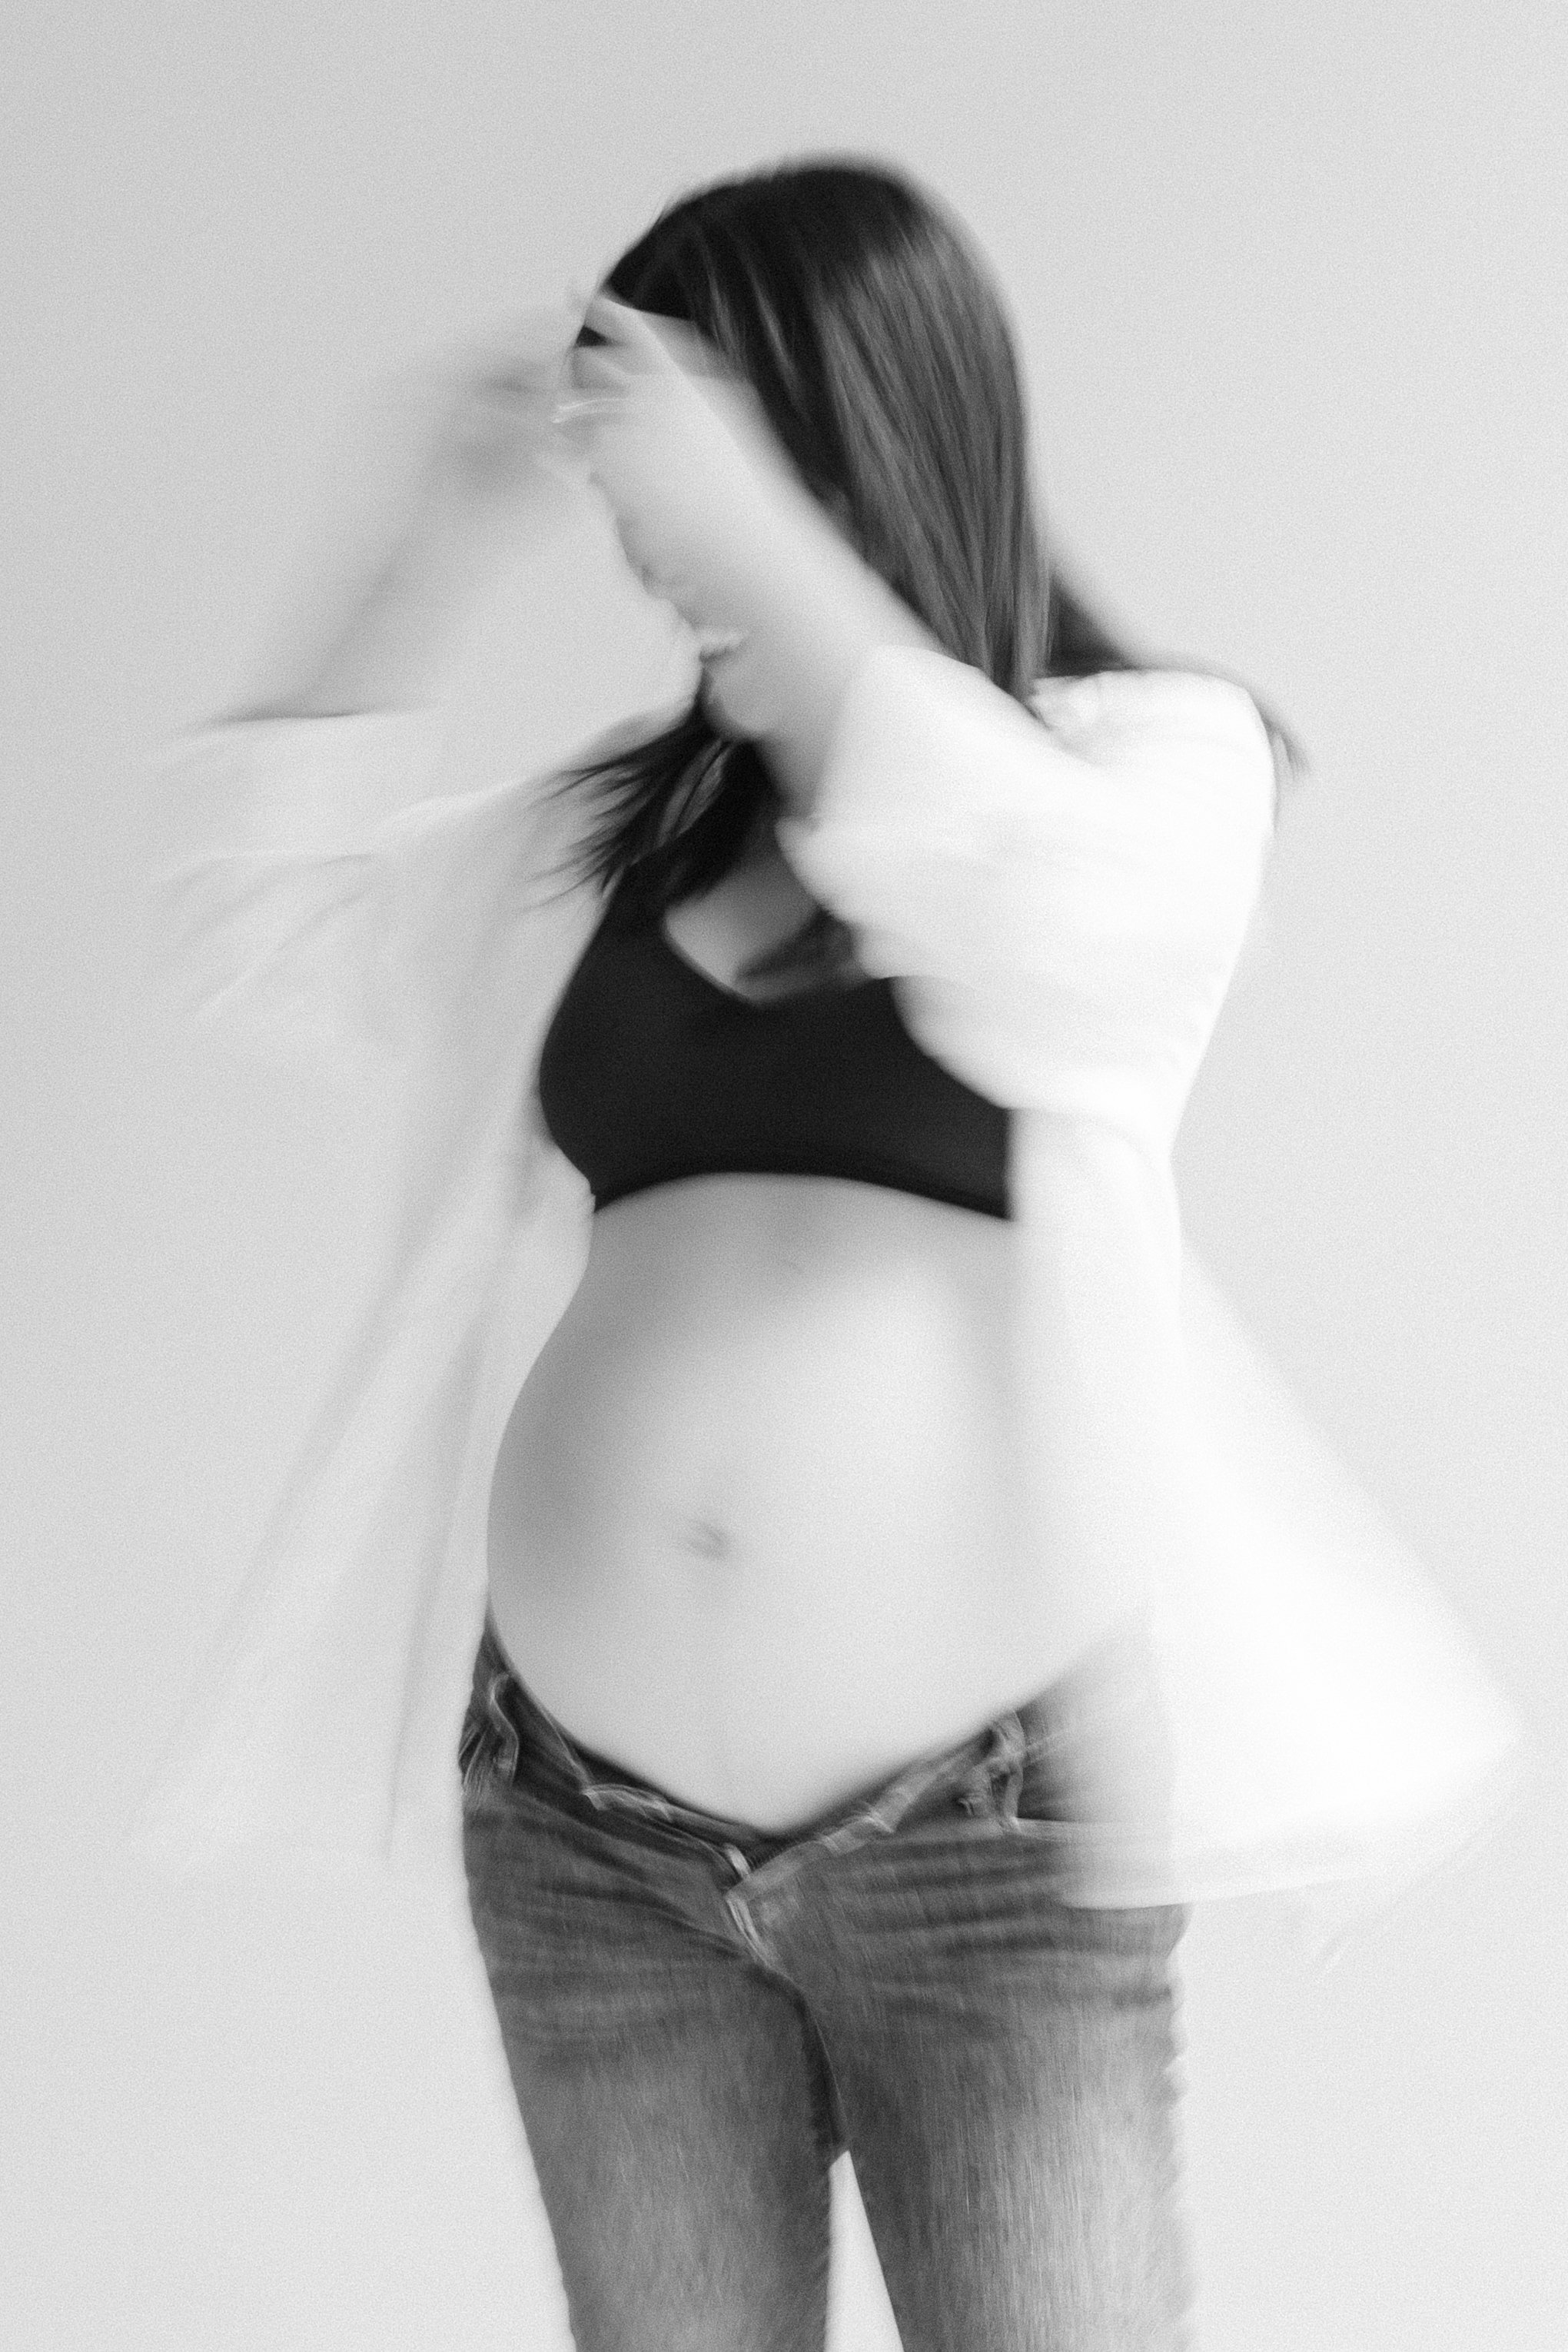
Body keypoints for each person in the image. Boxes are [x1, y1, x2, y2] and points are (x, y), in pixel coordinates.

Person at [127, 157, 1523, 2352]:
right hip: (589, 1843)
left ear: (864, 424)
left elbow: (1036, 922)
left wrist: (763, 528)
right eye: (640, 480)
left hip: (987, 1844)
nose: (654, 537)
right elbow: (266, 934)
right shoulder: (602, 838)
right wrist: (427, 535)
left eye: (708, 456)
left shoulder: (1141, 767)